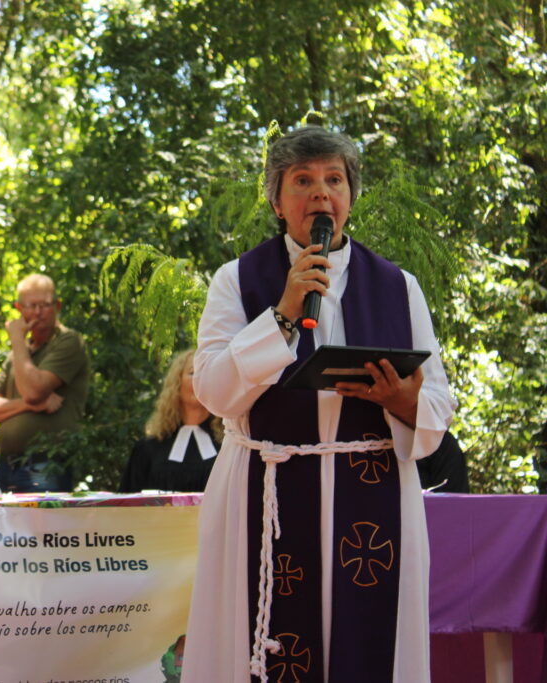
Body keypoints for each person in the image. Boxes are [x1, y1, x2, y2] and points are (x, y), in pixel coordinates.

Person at [182, 126, 456, 682]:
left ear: (350, 197)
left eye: (334, 179)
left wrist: (402, 399)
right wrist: (282, 314)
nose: (320, 194)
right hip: (266, 490)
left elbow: (437, 405)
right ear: (277, 201)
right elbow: (212, 390)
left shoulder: (399, 287)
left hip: (372, 490)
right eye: (302, 180)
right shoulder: (236, 281)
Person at [0, 274, 91, 493]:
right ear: (19, 307)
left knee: (44, 528)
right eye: (31, 305)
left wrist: (17, 338)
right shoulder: (18, 356)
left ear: (57, 306)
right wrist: (30, 405)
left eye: (45, 305)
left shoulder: (68, 341)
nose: (37, 312)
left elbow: (34, 390)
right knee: (6, 528)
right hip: (6, 465)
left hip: (47, 465)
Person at [119, 349, 223, 493]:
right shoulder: (148, 449)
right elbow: (128, 506)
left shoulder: (229, 446)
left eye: (206, 373)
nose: (200, 379)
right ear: (177, 382)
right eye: (193, 373)